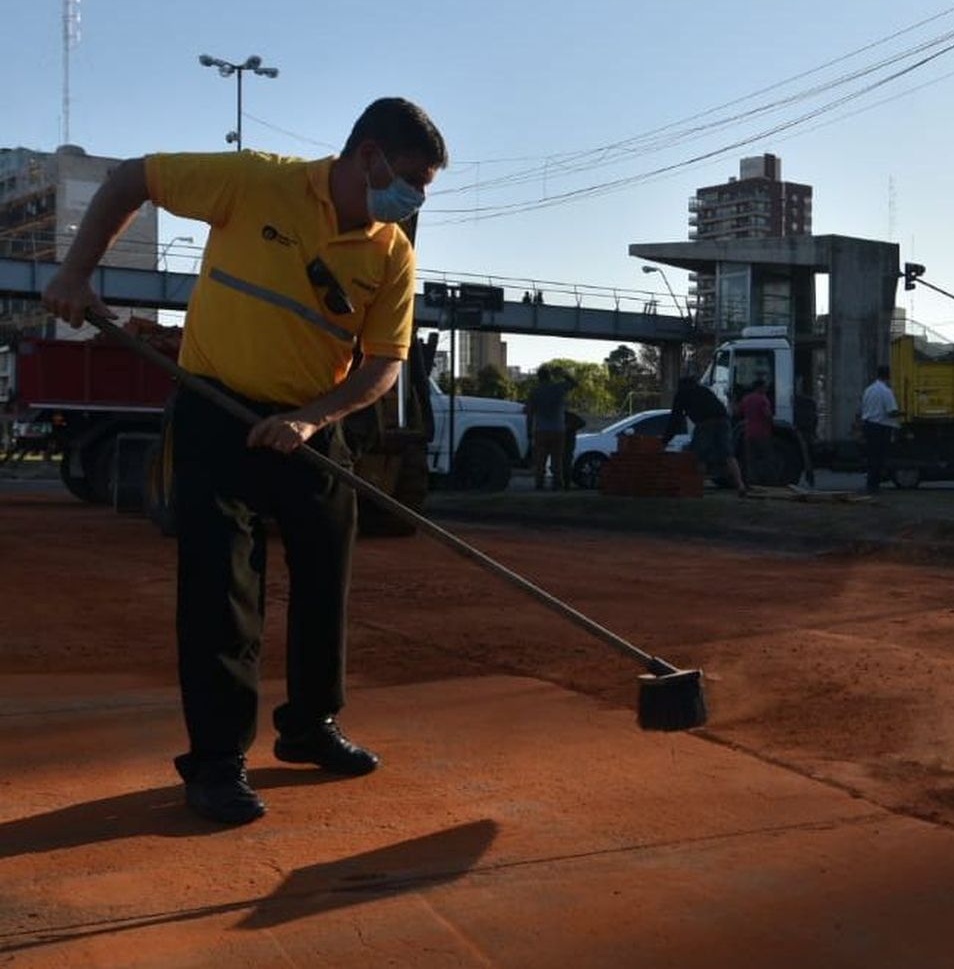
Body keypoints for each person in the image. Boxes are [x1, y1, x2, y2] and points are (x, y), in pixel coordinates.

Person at [40, 97, 448, 825]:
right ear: (368, 156)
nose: (415, 195)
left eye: (424, 185)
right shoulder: (257, 182)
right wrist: (77, 271)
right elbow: (132, 178)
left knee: (327, 571)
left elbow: (383, 363)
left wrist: (311, 421)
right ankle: (218, 763)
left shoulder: (392, 252)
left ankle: (310, 727)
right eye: (411, 176)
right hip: (215, 412)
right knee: (221, 588)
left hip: (311, 426)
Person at [663, 374, 747, 495]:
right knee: (728, 454)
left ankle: (698, 487)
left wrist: (666, 440)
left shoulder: (682, 393)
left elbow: (675, 418)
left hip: (704, 423)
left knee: (699, 455)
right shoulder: (704, 390)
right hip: (723, 420)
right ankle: (740, 485)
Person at [526, 366, 576, 490]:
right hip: (558, 430)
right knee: (557, 460)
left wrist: (529, 432)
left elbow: (530, 414)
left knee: (540, 461)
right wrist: (563, 373)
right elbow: (574, 383)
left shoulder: (535, 392)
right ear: (550, 376)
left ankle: (539, 484)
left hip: (541, 430)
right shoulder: (559, 388)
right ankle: (557, 485)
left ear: (539, 377)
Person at [860, 364, 900, 494]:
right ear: (888, 376)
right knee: (879, 458)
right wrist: (903, 413)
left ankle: (871, 485)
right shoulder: (886, 391)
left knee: (872, 457)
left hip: (868, 425)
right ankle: (874, 486)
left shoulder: (869, 390)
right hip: (881, 427)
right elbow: (891, 411)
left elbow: (864, 408)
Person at [735, 379, 774, 486]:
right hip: (762, 434)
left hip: (748, 433)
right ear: (759, 387)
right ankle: (767, 481)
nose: (766, 389)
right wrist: (771, 424)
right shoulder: (763, 399)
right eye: (764, 387)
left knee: (750, 459)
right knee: (766, 458)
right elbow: (767, 414)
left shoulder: (746, 399)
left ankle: (751, 481)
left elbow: (738, 412)